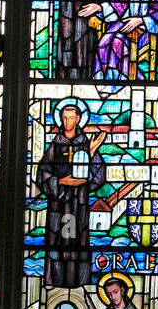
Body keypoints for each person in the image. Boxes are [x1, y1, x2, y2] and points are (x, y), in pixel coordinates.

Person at [35, 99, 106, 288]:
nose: (67, 122)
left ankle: (79, 281)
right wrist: (59, 181)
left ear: (79, 119)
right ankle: (55, 280)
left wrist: (90, 153)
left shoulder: (86, 144)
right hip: (58, 204)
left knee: (78, 240)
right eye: (64, 118)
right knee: (56, 240)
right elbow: (42, 172)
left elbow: (98, 177)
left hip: (79, 203)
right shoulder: (55, 145)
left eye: (71, 118)